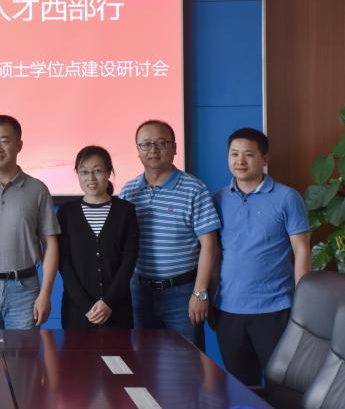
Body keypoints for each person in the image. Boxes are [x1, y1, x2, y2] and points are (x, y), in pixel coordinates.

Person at [212, 128, 310, 385]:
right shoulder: (217, 199)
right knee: (239, 386)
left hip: (275, 308)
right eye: (234, 154)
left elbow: (301, 249)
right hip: (228, 309)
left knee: (280, 384)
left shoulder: (287, 197)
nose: (240, 161)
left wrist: (302, 301)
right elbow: (213, 252)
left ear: (264, 159)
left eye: (248, 154)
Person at [119, 119, 219, 349]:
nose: (153, 150)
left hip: (182, 294)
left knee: (188, 362)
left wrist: (200, 293)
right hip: (139, 292)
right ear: (138, 150)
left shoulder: (194, 189)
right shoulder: (129, 191)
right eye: (146, 144)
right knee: (142, 361)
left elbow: (210, 245)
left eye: (161, 143)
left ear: (174, 148)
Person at [0, 115, 60, 330]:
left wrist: (46, 294)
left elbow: (50, 244)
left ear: (19, 145)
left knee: (24, 352)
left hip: (24, 290)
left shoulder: (37, 189)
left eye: (4, 140)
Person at [57, 146, 139, 329]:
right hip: (77, 310)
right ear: (78, 174)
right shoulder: (66, 213)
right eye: (84, 172)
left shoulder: (126, 211)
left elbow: (129, 260)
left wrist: (108, 302)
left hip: (117, 308)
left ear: (108, 172)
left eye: (97, 171)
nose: (91, 178)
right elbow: (63, 262)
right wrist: (86, 305)